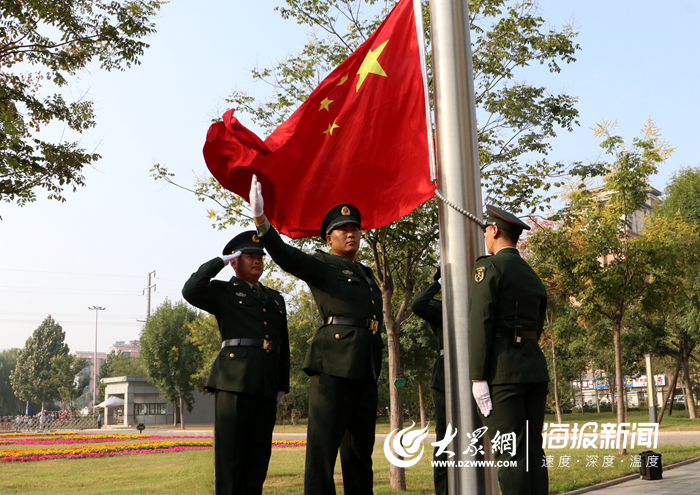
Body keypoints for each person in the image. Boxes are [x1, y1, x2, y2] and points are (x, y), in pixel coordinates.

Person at [249, 175, 384, 495]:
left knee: (360, 457)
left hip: (365, 369)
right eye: (343, 230)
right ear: (328, 238)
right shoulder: (323, 265)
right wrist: (261, 220)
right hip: (333, 368)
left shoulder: (366, 274)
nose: (351, 234)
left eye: (355, 229)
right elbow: (286, 255)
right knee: (322, 455)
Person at [182, 231, 290, 495]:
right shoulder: (223, 291)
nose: (257, 261)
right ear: (235, 262)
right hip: (234, 381)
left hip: (265, 382)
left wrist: (281, 384)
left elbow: (282, 345)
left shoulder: (275, 298)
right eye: (250, 256)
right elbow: (190, 290)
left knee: (258, 458)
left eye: (260, 257)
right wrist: (219, 261)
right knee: (231, 458)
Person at [469, 205, 549, 495]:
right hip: (533, 367)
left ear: (494, 231)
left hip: (503, 375)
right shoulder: (531, 273)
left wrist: (478, 377)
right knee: (533, 452)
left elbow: (480, 323)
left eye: (486, 232)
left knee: (510, 454)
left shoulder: (488, 267)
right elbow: (538, 323)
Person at [409, 268, 447, 495]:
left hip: (478, 372)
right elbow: (417, 305)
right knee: (445, 437)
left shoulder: (479, 304)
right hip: (446, 375)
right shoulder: (440, 309)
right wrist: (441, 282)